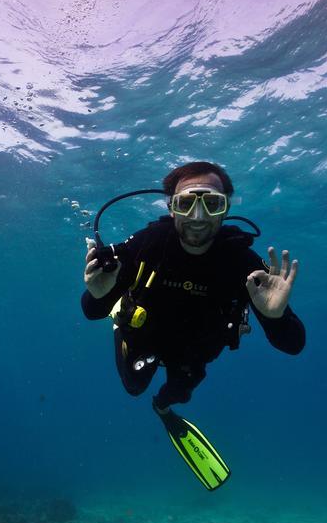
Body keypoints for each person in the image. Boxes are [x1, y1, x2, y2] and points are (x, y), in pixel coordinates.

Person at [81, 161, 305, 490]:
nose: (198, 218)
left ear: (225, 209)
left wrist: (275, 316)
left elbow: (293, 344)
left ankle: (162, 408)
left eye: (212, 204)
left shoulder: (243, 264)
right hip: (144, 338)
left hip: (195, 354)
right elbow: (90, 311)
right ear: (171, 208)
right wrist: (99, 296)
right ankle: (121, 323)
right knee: (133, 387)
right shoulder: (147, 244)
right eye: (187, 203)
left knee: (175, 395)